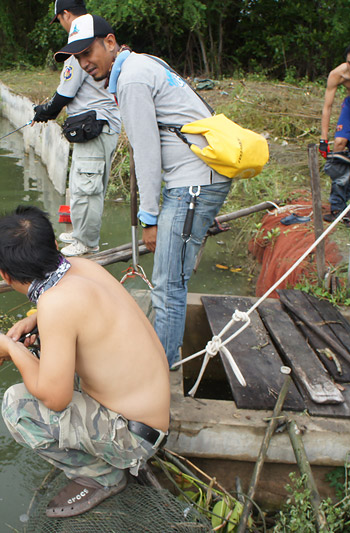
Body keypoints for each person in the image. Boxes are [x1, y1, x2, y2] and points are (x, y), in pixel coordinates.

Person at [54, 15, 232, 367]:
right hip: (195, 179)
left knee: (168, 287)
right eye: (77, 58)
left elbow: (146, 153)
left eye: (88, 52)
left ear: (110, 41)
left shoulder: (132, 80)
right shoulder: (142, 62)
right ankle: (161, 360)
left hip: (193, 184)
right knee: (172, 280)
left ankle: (158, 372)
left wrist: (148, 218)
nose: (85, 64)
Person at [0, 205, 170, 517]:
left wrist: (12, 349)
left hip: (135, 438)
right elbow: (70, 307)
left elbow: (56, 399)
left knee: (16, 406)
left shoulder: (56, 304)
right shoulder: (80, 267)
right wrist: (35, 320)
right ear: (54, 246)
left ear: (4, 274)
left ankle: (104, 476)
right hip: (152, 415)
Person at [32, 0, 121, 257]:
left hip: (96, 127)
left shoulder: (82, 47)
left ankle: (86, 242)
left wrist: (44, 112)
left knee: (86, 187)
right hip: (93, 127)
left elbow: (64, 95)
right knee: (84, 182)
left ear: (66, 14)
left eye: (59, 20)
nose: (61, 25)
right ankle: (82, 232)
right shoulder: (91, 44)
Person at [319, 40, 350, 223]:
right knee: (339, 146)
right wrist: (323, 139)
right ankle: (337, 206)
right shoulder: (338, 74)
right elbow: (327, 107)